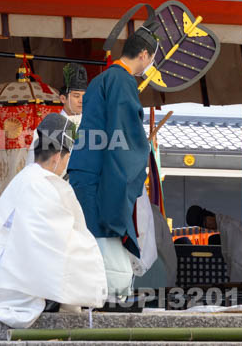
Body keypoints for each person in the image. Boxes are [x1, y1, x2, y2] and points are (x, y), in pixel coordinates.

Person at [0, 113, 106, 327]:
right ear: (57, 157)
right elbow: (55, 240)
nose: (65, 165)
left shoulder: (25, 178)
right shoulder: (42, 184)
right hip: (14, 285)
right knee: (79, 248)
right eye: (67, 159)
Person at [68, 24, 157, 307]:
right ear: (144, 54)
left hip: (86, 171)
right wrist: (141, 150)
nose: (150, 64)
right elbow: (124, 138)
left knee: (90, 240)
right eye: (152, 58)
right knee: (106, 239)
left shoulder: (101, 80)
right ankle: (111, 297)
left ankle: (91, 298)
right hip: (102, 174)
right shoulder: (122, 80)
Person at [185, 205, 242, 283]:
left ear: (208, 216)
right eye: (204, 226)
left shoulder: (228, 226)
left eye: (205, 223)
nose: (208, 227)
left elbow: (237, 258)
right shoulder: (226, 223)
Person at [26, 63, 87, 166]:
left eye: (84, 96)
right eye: (76, 96)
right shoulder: (50, 126)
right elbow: (34, 163)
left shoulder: (91, 123)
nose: (81, 100)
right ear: (63, 98)